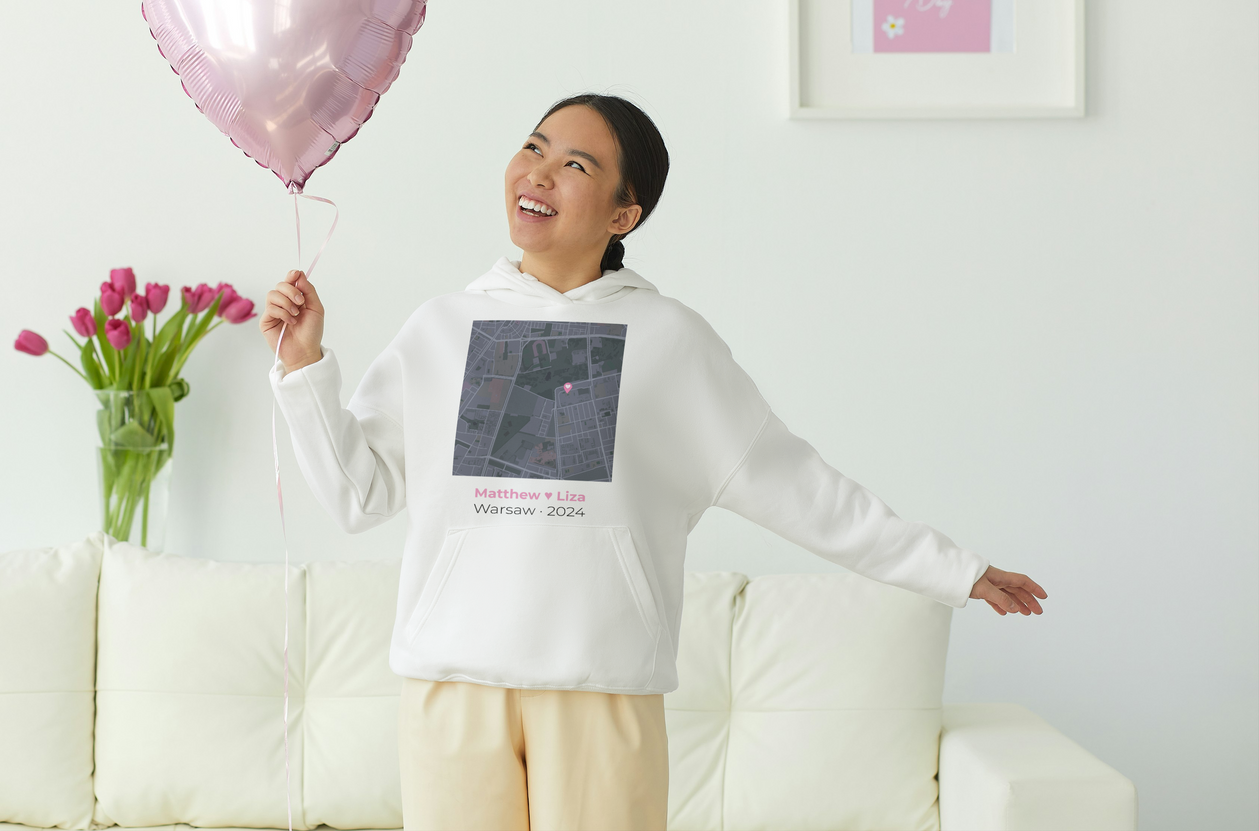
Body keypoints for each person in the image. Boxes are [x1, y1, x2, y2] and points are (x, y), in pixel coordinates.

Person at [262, 93, 1047, 831]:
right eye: (533, 148)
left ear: (623, 212)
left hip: (602, 691)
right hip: (450, 687)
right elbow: (357, 495)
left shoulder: (671, 341)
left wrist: (953, 569)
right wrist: (304, 368)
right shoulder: (440, 329)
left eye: (575, 164)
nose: (538, 171)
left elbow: (798, 485)